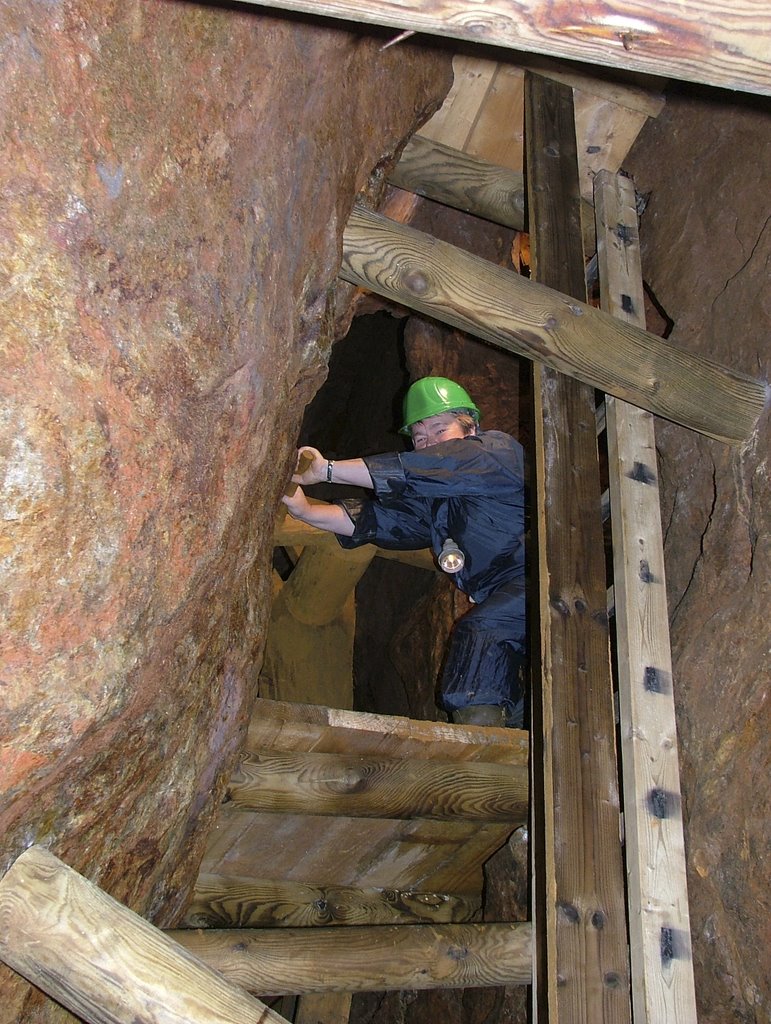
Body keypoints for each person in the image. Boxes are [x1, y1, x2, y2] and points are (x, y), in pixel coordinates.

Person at [282, 376, 527, 728]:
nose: (427, 443)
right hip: (505, 593)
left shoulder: (494, 453)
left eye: (439, 430)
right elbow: (382, 521)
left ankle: (485, 746)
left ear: (470, 426)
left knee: (482, 633)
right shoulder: (440, 504)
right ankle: (517, 729)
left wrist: (328, 470)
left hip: (542, 580)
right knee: (492, 654)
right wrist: (305, 511)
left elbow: (426, 469)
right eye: (419, 437)